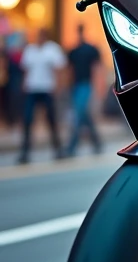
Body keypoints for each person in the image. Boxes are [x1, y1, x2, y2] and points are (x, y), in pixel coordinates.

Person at [18, 28, 67, 163]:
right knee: (28, 120)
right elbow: (26, 69)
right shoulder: (30, 50)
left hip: (47, 89)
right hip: (32, 88)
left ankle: (58, 149)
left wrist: (58, 87)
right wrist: (24, 84)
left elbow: (58, 70)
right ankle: (25, 152)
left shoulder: (52, 50)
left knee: (51, 120)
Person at [67, 24, 102, 156]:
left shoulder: (90, 50)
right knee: (84, 115)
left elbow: (96, 69)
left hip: (86, 85)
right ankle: (97, 142)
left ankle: (72, 146)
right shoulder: (74, 51)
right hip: (77, 86)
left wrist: (98, 88)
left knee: (79, 114)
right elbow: (70, 70)